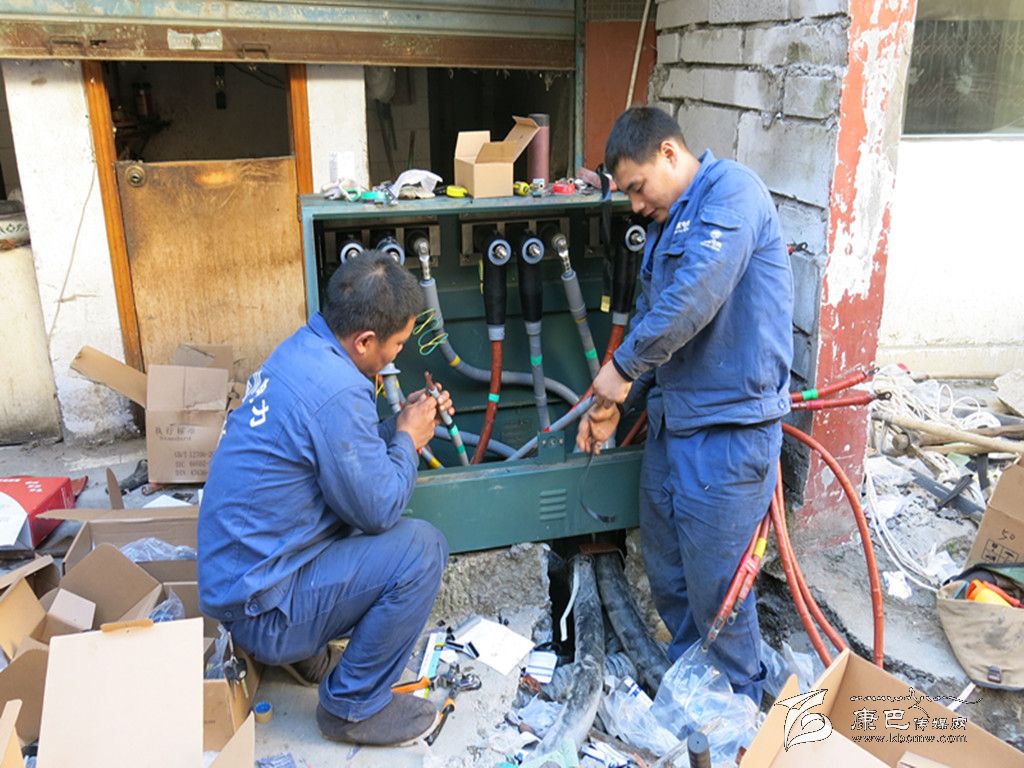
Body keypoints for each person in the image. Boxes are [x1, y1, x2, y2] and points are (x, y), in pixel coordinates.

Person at [578, 106, 794, 705]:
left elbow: (695, 296)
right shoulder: (669, 223)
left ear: (670, 154)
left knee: (720, 590)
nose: (634, 205)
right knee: (671, 573)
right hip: (676, 425)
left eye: (637, 187)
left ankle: (741, 711)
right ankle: (697, 693)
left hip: (729, 433)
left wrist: (621, 370)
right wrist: (619, 404)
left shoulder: (733, 194)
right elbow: (655, 319)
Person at [198, 252, 452, 747]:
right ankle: (352, 708)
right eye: (397, 345)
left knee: (350, 504)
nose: (396, 357)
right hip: (261, 609)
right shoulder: (337, 390)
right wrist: (409, 439)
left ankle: (306, 656)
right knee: (421, 551)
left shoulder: (304, 350)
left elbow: (346, 456)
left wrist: (400, 426)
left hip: (242, 585)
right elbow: (379, 508)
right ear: (365, 341)